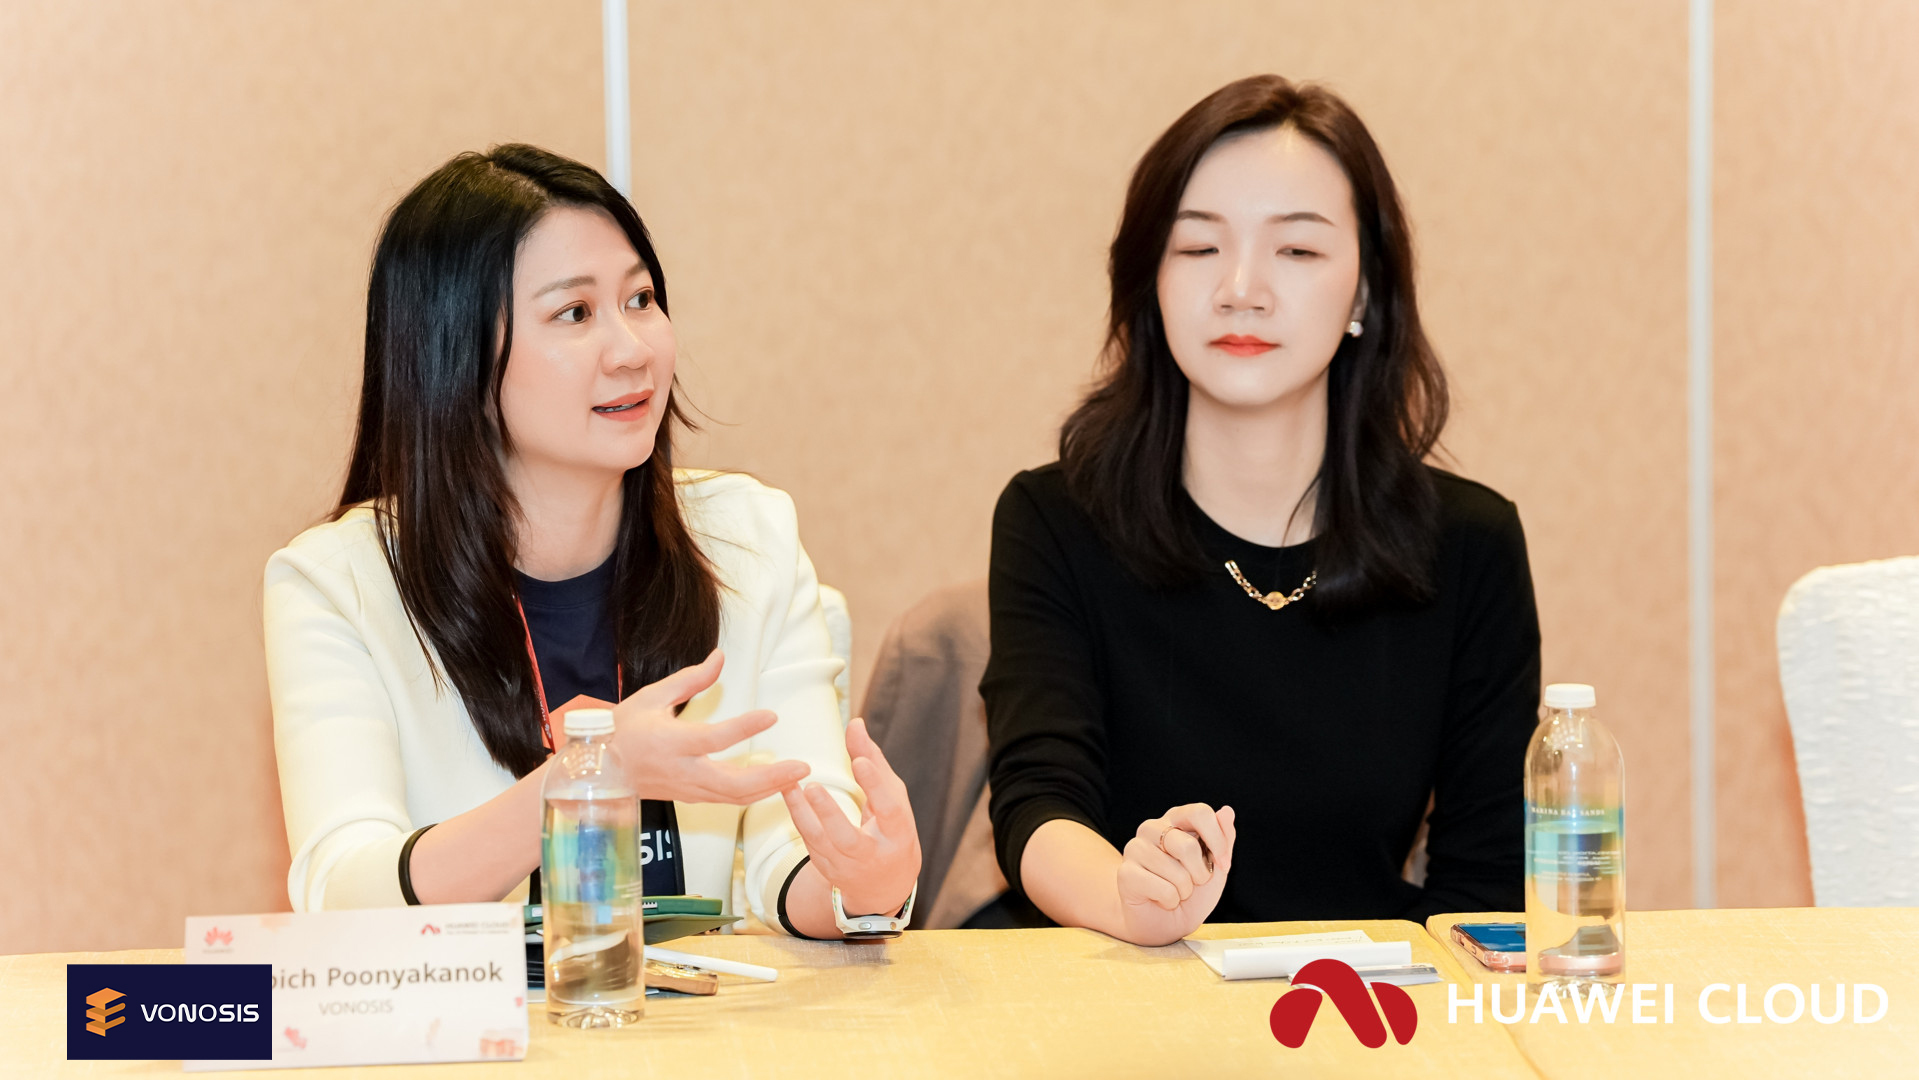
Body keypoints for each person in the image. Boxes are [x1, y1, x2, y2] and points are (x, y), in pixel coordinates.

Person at [265, 145, 919, 939]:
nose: (632, 349)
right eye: (575, 313)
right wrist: (588, 775)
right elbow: (343, 891)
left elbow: (794, 853)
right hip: (479, 1020)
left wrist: (862, 884)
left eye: (640, 299)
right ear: (455, 356)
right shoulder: (339, 586)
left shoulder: (749, 540)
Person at [981, 76, 1540, 946]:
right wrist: (1131, 899)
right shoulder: (1055, 518)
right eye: (1198, 247)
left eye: (1297, 251)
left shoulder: (1468, 546)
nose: (1241, 289)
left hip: (1357, 990)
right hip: (1114, 976)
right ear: (1148, 281)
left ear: (1364, 294)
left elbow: (1486, 882)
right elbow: (1038, 805)